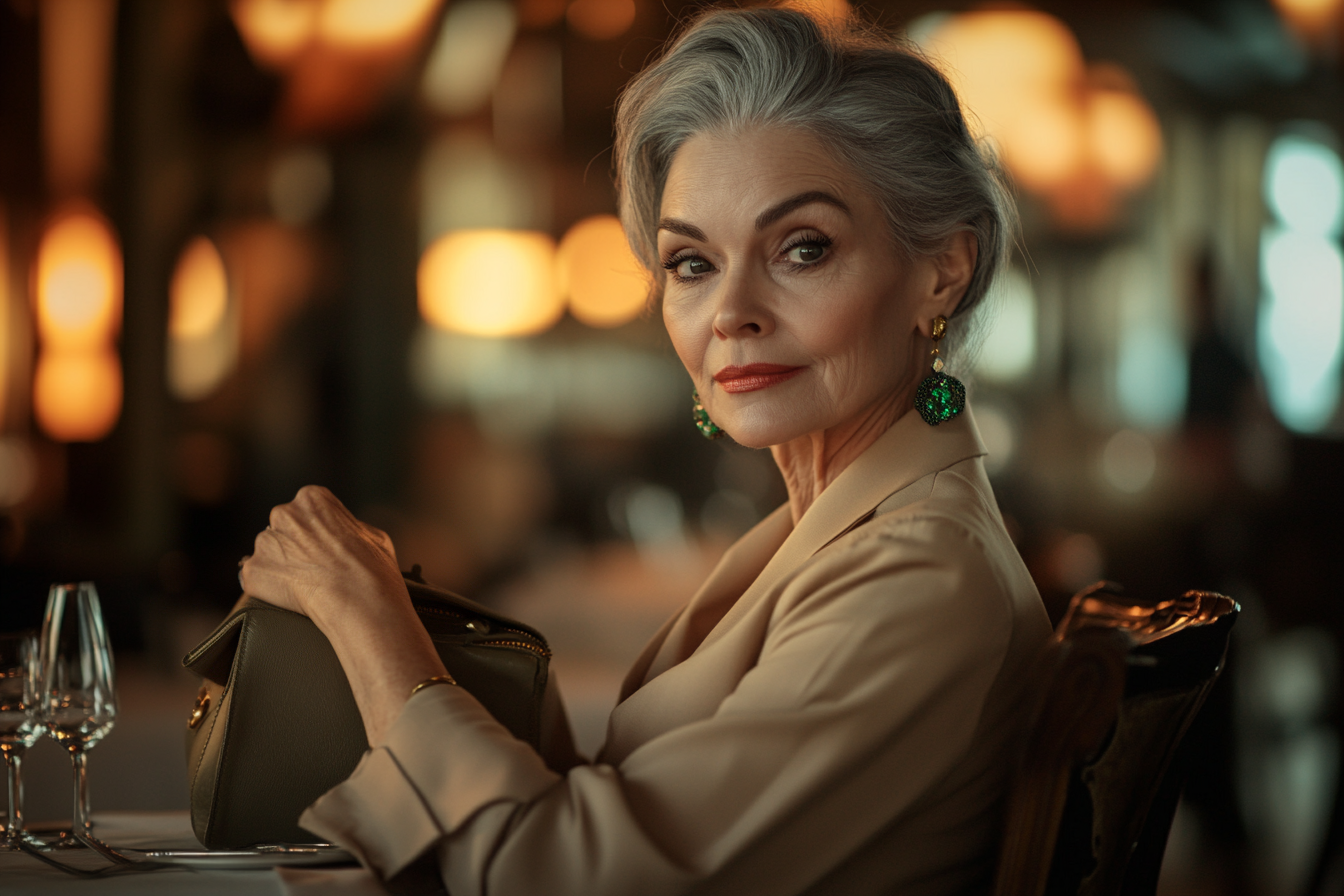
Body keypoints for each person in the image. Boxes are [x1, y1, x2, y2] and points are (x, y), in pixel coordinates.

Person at [237, 7, 1052, 894]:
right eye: (692, 264)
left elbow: (574, 876)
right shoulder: (838, 525)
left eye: (802, 249)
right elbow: (617, 805)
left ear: (944, 269)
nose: (730, 311)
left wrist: (370, 626)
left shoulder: (920, 573)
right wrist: (418, 620)